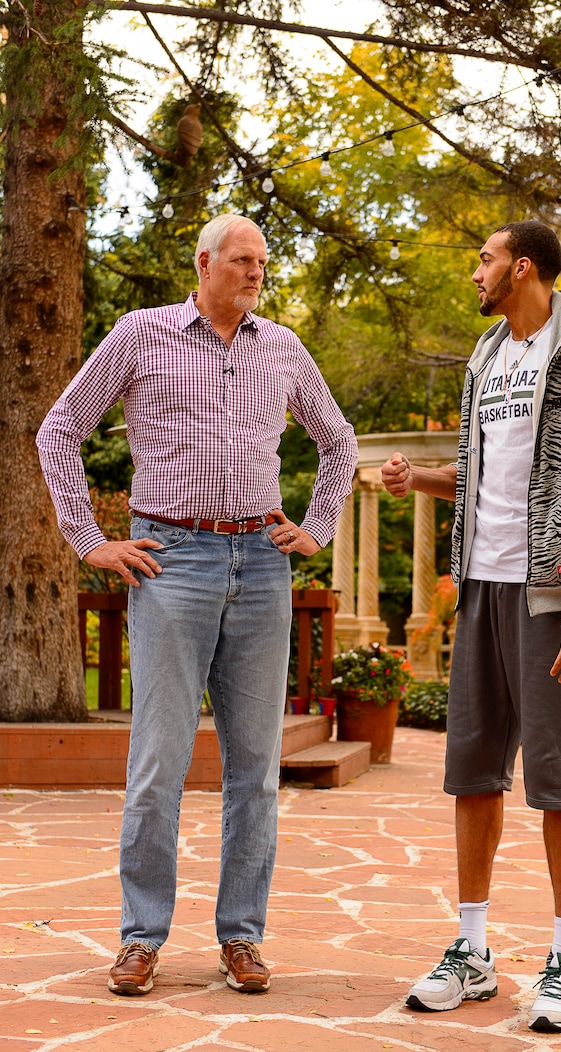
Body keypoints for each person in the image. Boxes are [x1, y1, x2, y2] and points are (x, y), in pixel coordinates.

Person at [37, 213, 358, 997]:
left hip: (262, 561)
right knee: (159, 762)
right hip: (171, 561)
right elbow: (60, 428)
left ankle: (242, 936)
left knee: (255, 768)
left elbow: (339, 440)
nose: (256, 273)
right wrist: (88, 540)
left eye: (262, 262)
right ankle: (140, 938)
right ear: (205, 263)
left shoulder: (281, 346)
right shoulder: (141, 334)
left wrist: (316, 526)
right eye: (242, 260)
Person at [381, 220, 561, 1033]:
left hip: (555, 591)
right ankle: (472, 950)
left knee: (559, 781)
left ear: (521, 267)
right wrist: (418, 479)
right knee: (471, 772)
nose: (476, 273)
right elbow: (483, 473)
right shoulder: (487, 356)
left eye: (484, 260)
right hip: (481, 587)